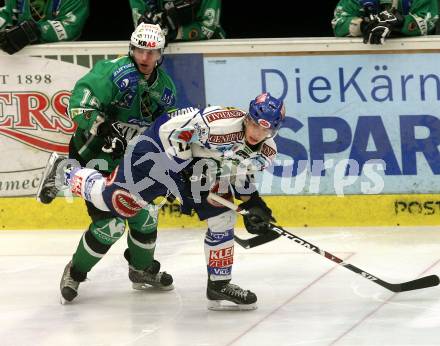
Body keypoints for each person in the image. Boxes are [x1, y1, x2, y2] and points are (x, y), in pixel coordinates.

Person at [37, 92, 286, 310]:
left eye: (266, 129)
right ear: (247, 118)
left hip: (197, 166)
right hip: (159, 145)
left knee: (223, 216)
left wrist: (255, 206)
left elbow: (238, 175)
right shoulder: (218, 124)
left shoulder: (267, 152)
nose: (257, 132)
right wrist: (184, 168)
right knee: (118, 201)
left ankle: (219, 285)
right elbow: (176, 133)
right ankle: (64, 171)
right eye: (254, 124)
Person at [36, 22, 178, 303]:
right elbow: (78, 104)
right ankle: (75, 273)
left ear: (160, 54)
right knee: (110, 227)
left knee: (146, 217)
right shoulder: (113, 72)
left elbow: (171, 130)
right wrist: (102, 127)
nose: (145, 58)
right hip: (94, 156)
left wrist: (173, 165)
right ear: (131, 49)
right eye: (140, 50)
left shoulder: (165, 88)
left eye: (152, 52)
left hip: (129, 164)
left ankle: (141, 270)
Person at [0, 0, 90, 54]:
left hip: (64, 61)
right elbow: (5, 14)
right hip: (22, 61)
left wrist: (31, 31)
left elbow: (70, 28)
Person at [332, 0, 438, 45]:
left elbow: (427, 21)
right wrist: (365, 25)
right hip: (367, 60)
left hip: (418, 60)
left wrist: (401, 23)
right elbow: (338, 24)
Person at [129, 0, 225, 43]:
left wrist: (176, 33)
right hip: (159, 53)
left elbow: (207, 27)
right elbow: (141, 29)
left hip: (209, 51)